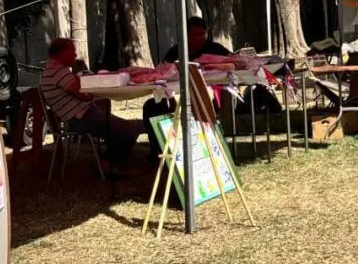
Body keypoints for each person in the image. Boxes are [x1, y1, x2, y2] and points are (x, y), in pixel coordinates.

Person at [41, 39, 140, 170]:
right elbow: (83, 94)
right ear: (63, 52)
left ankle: (108, 162)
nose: (75, 55)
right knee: (130, 129)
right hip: (80, 118)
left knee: (123, 127)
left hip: (79, 116)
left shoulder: (52, 69)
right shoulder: (58, 70)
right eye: (73, 51)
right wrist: (95, 92)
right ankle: (108, 165)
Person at [143, 17, 230, 160]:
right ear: (187, 34)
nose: (199, 38)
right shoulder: (176, 51)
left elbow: (232, 62)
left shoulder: (215, 49)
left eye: (202, 33)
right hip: (176, 97)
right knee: (150, 107)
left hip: (205, 98)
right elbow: (162, 71)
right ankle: (158, 152)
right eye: (195, 34)